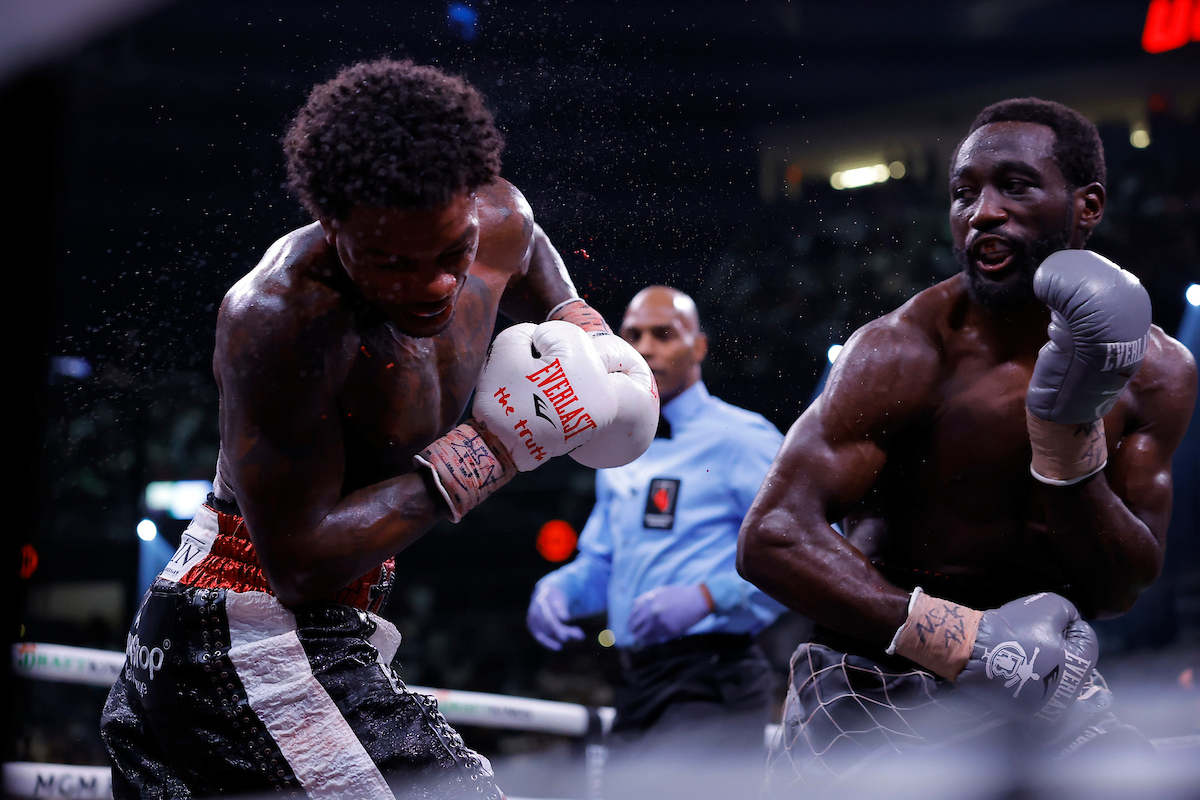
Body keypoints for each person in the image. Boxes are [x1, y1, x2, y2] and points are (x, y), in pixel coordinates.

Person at [99, 58, 659, 800]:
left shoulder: (497, 222)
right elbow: (297, 564)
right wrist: (493, 449)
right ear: (335, 229)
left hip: (311, 627)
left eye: (450, 252)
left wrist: (574, 320)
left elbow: (527, 245)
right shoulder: (279, 319)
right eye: (392, 261)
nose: (434, 284)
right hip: (247, 626)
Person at [737, 98, 1197, 790]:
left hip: (1041, 674)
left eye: (1014, 185)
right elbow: (770, 535)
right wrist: (962, 640)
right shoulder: (900, 351)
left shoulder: (1155, 373)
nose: (981, 211)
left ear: (1087, 205)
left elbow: (1120, 585)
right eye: (964, 192)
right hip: (875, 673)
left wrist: (1067, 441)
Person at [526, 285, 787, 757]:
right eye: (634, 334)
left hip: (714, 678)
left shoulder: (741, 438)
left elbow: (803, 549)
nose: (645, 347)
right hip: (637, 680)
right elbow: (605, 565)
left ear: (699, 347)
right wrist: (560, 588)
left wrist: (709, 596)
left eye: (663, 334)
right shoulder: (619, 446)